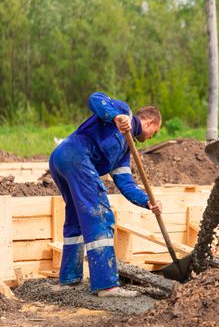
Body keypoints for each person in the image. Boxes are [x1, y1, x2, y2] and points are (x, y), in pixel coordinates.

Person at [49, 92, 163, 298]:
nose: (150, 138)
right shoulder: (122, 110)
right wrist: (116, 117)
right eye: (153, 133)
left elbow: (126, 184)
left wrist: (147, 201)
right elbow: (94, 98)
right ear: (150, 122)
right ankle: (107, 286)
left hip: (62, 159)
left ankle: (69, 278)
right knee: (100, 216)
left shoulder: (125, 149)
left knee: (76, 217)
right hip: (75, 155)